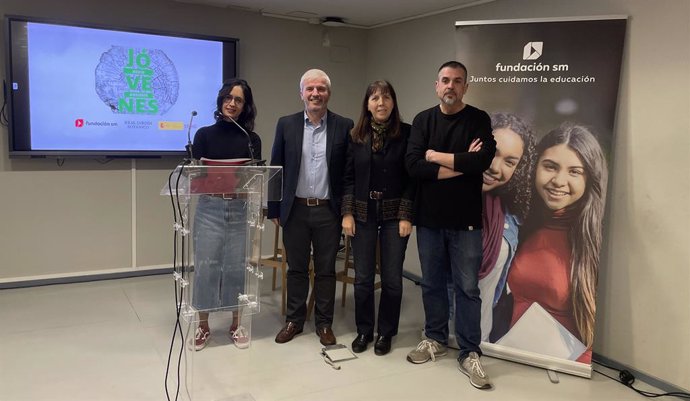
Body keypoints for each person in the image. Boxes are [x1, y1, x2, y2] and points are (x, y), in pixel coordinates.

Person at [405, 61, 496, 390]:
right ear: (436, 84)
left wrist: (436, 155)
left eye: (457, 81)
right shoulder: (423, 120)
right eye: (445, 80)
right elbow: (414, 166)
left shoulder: (478, 119)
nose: (451, 86)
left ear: (466, 87)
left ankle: (471, 352)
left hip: (466, 223)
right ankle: (435, 338)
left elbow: (483, 160)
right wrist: (460, 163)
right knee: (431, 284)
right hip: (429, 219)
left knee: (467, 289)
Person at [506, 122, 607, 364]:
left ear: (589, 178)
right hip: (511, 355)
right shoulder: (522, 222)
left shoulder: (594, 241)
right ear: (534, 168)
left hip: (566, 368)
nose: (559, 181)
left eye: (575, 171)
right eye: (550, 167)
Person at [268, 69, 354, 346]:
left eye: (321, 89)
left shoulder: (344, 125)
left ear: (329, 93)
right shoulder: (287, 124)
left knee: (327, 269)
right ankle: (294, 320)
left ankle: (324, 323)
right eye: (310, 89)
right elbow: (276, 168)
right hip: (295, 210)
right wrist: (274, 209)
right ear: (301, 94)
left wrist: (346, 211)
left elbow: (348, 173)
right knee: (296, 268)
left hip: (329, 210)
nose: (316, 94)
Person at [341, 80, 414, 356]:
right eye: (374, 98)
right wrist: (347, 213)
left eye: (385, 98)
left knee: (393, 278)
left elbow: (412, 179)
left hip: (396, 215)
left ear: (393, 102)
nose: (380, 103)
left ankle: (386, 332)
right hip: (362, 213)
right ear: (367, 104)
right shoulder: (356, 136)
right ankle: (364, 330)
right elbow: (347, 177)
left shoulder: (407, 134)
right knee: (362, 278)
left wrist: (406, 215)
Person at [190, 78, 261, 351]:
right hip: (209, 208)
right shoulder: (204, 135)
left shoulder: (251, 139)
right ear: (221, 101)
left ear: (245, 106)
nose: (232, 104)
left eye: (239, 100)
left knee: (235, 267)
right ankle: (203, 326)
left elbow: (256, 179)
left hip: (240, 208)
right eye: (228, 98)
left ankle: (236, 323)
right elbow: (194, 176)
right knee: (207, 267)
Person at [477, 113, 536, 342]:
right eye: (492, 152)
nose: (495, 167)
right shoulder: (446, 202)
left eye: (510, 162)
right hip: (443, 332)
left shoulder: (510, 216)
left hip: (480, 336)